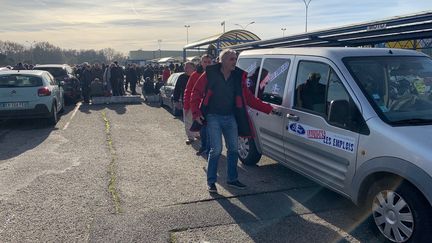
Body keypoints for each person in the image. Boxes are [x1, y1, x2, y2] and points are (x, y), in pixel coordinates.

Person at [190, 49, 273, 193]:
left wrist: (268, 108)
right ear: (222, 61)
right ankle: (211, 182)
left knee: (234, 149)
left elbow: (249, 98)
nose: (235, 61)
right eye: (231, 59)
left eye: (235, 59)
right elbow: (195, 92)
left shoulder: (238, 77)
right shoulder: (209, 74)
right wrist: (196, 112)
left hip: (230, 117)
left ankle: (232, 179)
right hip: (213, 117)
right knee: (216, 150)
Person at [183, 54, 213, 155]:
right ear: (201, 63)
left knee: (205, 126)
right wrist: (186, 105)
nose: (207, 64)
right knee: (189, 120)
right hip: (195, 103)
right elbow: (188, 91)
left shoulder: (215, 74)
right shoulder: (195, 75)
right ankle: (191, 137)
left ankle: (204, 143)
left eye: (209, 62)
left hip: (207, 106)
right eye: (205, 62)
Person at [173, 62, 196, 144]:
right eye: (185, 67)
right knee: (188, 120)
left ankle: (197, 134)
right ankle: (190, 137)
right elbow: (177, 89)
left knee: (197, 119)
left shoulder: (198, 76)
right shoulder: (182, 77)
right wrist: (176, 100)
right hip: (186, 102)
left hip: (198, 102)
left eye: (188, 67)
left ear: (193, 68)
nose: (185, 69)